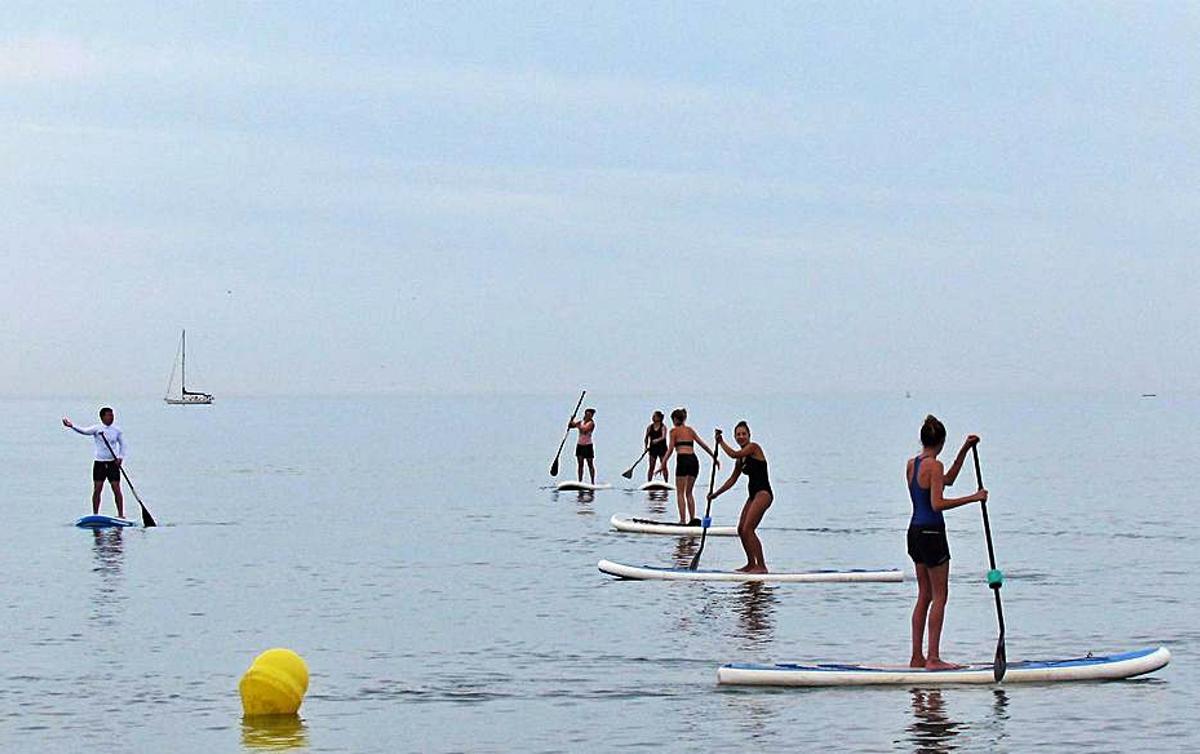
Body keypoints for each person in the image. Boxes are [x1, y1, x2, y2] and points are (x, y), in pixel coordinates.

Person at [906, 415, 988, 670]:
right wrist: (974, 498)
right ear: (941, 442)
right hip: (932, 533)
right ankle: (933, 658)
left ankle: (917, 657)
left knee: (924, 595)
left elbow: (947, 480)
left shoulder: (912, 464)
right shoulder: (935, 465)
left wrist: (964, 450)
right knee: (940, 595)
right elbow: (937, 503)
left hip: (914, 533)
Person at [708, 422, 772, 573]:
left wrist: (720, 442)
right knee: (741, 529)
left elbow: (733, 454)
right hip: (753, 495)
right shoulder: (740, 460)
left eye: (744, 434)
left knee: (749, 529)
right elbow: (732, 480)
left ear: (749, 435)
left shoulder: (754, 448)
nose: (741, 437)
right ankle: (751, 564)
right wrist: (715, 494)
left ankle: (761, 566)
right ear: (735, 437)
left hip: (763, 494)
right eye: (738, 434)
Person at [62, 406, 127, 518]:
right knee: (97, 489)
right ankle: (95, 514)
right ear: (102, 417)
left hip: (113, 463)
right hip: (100, 463)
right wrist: (72, 426)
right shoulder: (97, 429)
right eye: (109, 415)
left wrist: (120, 458)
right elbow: (84, 431)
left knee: (116, 489)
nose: (111, 417)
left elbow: (123, 445)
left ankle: (121, 515)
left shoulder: (117, 430)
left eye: (112, 415)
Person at [660, 407, 717, 525]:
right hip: (694, 461)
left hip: (683, 460)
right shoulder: (690, 430)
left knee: (680, 493)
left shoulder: (673, 432)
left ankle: (682, 520)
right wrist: (714, 458)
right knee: (689, 492)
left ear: (675, 419)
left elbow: (670, 450)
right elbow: (703, 444)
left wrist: (663, 464)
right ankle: (692, 519)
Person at [568, 408, 597, 483]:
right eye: (586, 414)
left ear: (591, 416)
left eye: (589, 415)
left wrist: (577, 425)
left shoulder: (591, 423)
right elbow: (570, 426)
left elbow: (584, 431)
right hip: (580, 445)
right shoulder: (581, 422)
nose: (587, 416)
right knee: (580, 464)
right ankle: (580, 481)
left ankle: (592, 482)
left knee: (590, 464)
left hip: (588, 446)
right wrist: (571, 420)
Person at [644, 410, 668, 482]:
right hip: (653, 449)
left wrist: (657, 440)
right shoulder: (649, 427)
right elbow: (646, 438)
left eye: (655, 416)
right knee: (651, 467)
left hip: (662, 449)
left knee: (664, 466)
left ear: (659, 418)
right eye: (653, 416)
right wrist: (645, 447)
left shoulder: (663, 427)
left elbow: (663, 437)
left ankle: (666, 482)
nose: (653, 417)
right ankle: (649, 482)